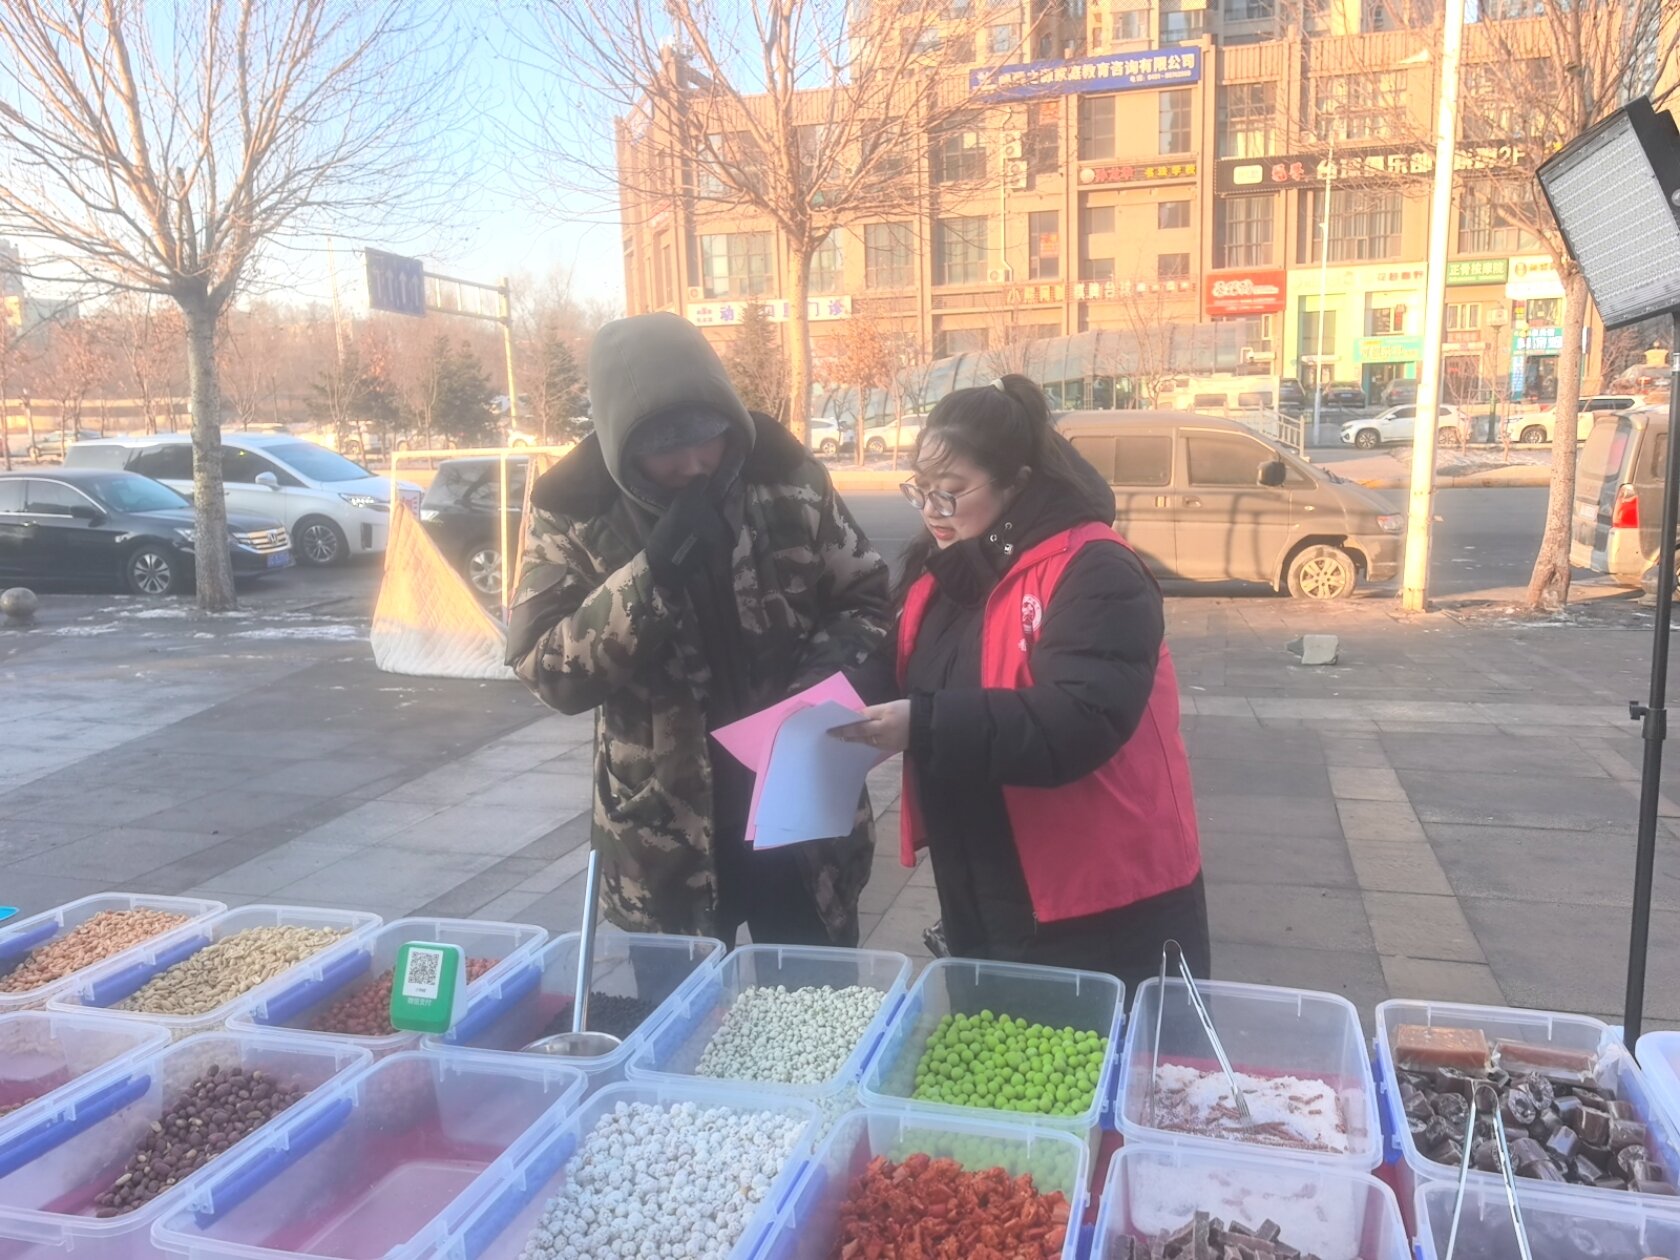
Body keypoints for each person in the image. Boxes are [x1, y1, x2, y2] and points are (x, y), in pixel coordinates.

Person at [505, 312, 891, 948]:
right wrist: (652, 577)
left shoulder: (786, 477)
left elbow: (866, 600)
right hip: (663, 837)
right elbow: (545, 670)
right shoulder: (574, 509)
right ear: (622, 442)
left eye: (707, 438)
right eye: (664, 448)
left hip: (800, 815)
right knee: (681, 1008)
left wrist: (818, 693)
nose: (692, 464)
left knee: (811, 999)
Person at [836, 374, 1208, 992]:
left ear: (1017, 483)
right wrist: (818, 706)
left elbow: (1077, 719)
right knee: (997, 1039)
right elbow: (894, 664)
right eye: (920, 489)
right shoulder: (945, 571)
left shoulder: (1096, 568)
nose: (931, 510)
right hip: (983, 878)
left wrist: (921, 724)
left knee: (1105, 1048)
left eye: (951, 491)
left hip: (1101, 895)